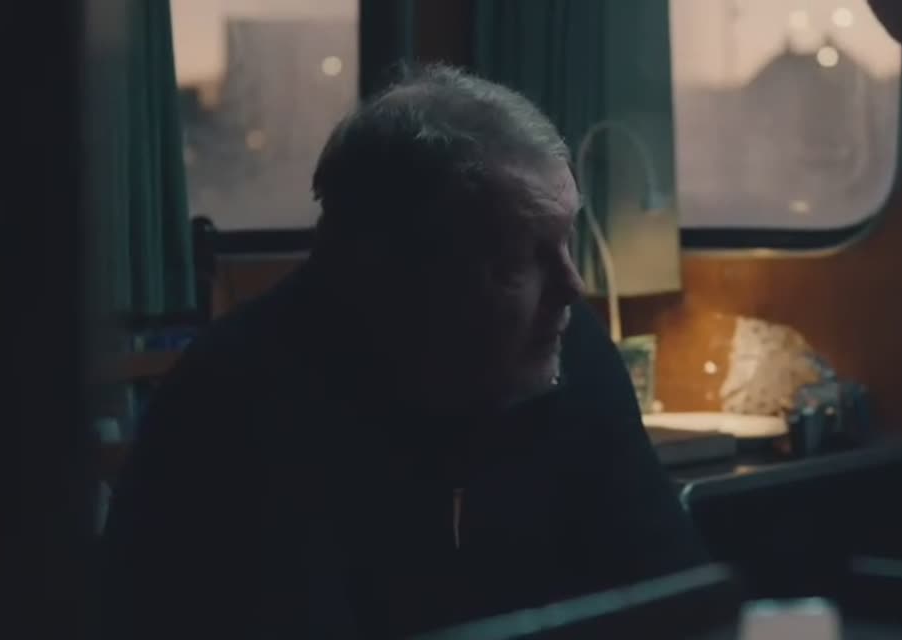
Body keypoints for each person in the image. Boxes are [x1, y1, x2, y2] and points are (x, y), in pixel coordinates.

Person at [100, 64, 708, 638]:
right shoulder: (231, 411)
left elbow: (677, 595)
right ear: (391, 274)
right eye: (515, 260)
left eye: (565, 239)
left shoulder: (567, 346)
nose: (572, 286)